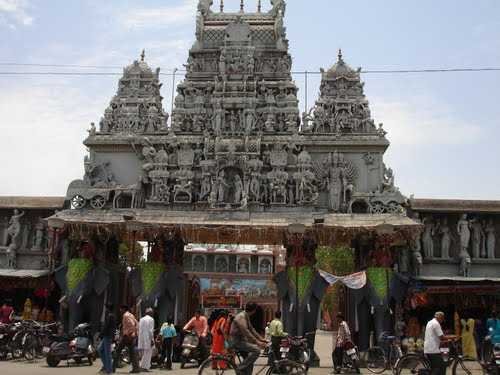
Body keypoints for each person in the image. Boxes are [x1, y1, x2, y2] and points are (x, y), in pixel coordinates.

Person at [229, 302, 268, 375]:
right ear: (254, 310)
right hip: (236, 341)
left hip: (242, 340)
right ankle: (240, 367)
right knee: (257, 350)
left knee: (250, 361)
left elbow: (251, 329)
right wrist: (257, 342)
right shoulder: (241, 317)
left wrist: (261, 339)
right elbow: (246, 331)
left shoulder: (246, 315)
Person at [113, 305, 140, 374]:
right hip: (131, 336)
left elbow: (132, 324)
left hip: (127, 336)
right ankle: (136, 368)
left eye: (121, 309)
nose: (120, 311)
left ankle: (112, 367)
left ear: (124, 309)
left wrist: (129, 334)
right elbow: (137, 324)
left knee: (118, 350)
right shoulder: (131, 315)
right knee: (132, 353)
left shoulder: (126, 315)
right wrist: (135, 333)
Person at [98, 303, 116, 374]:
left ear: (108, 309)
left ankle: (109, 370)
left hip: (107, 336)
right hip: (107, 336)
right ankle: (107, 367)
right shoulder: (111, 316)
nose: (105, 310)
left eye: (106, 308)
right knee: (100, 350)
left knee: (107, 353)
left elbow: (106, 327)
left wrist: (100, 335)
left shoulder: (110, 316)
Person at [138, 307, 155, 372]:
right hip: (148, 339)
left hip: (142, 338)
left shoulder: (141, 319)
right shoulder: (151, 319)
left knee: (144, 353)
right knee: (148, 353)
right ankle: (145, 367)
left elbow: (140, 330)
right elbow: (151, 331)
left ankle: (142, 366)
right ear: (150, 313)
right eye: (152, 312)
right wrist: (152, 340)